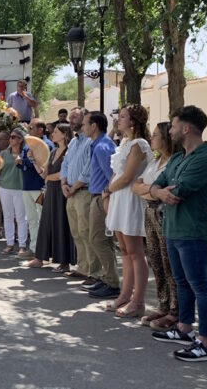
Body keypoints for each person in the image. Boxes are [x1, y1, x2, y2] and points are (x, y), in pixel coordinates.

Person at [150, 105, 207, 362]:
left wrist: (161, 192)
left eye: (173, 125)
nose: (170, 130)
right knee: (181, 282)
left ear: (186, 128)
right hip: (173, 229)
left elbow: (177, 191)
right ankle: (184, 328)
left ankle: (206, 343)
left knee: (200, 285)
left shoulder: (205, 159)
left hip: (192, 232)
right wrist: (158, 192)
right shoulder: (179, 158)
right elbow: (159, 184)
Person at [103, 104, 152, 317]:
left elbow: (127, 176)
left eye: (123, 116)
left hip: (130, 199)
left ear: (133, 121)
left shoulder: (139, 144)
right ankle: (125, 295)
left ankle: (138, 301)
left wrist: (107, 190)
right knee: (124, 251)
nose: (118, 120)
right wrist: (109, 194)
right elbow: (116, 173)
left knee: (135, 252)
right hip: (118, 198)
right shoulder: (124, 142)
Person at [132, 122, 178, 331]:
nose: (153, 138)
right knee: (156, 261)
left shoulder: (174, 162)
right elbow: (135, 186)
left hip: (163, 213)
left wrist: (148, 191)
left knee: (169, 262)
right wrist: (152, 191)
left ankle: (175, 310)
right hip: (149, 210)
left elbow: (160, 189)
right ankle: (163, 303)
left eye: (156, 135)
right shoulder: (155, 161)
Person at [61, 108, 101, 288]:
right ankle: (83, 267)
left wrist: (74, 186)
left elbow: (88, 169)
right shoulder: (73, 143)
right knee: (76, 232)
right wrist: (63, 183)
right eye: (71, 117)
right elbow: (65, 164)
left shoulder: (89, 143)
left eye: (75, 117)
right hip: (70, 192)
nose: (71, 119)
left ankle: (94, 272)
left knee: (87, 232)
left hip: (83, 191)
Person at [29, 123, 77, 272]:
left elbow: (64, 173)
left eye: (56, 132)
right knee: (46, 223)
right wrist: (34, 161)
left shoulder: (69, 152)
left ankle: (64, 262)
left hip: (61, 192)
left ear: (64, 134)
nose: (52, 134)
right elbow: (44, 174)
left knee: (61, 224)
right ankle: (40, 258)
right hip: (51, 191)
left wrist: (49, 177)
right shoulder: (53, 151)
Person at [83, 111, 120, 299]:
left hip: (101, 197)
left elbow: (112, 176)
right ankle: (109, 278)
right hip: (98, 196)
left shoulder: (102, 146)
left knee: (97, 239)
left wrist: (106, 198)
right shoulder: (99, 144)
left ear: (94, 125)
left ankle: (113, 283)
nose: (82, 128)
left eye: (84, 124)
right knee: (103, 241)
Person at [19, 120, 52, 259]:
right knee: (32, 220)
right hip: (27, 185)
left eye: (31, 127)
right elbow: (24, 160)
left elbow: (43, 163)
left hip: (39, 186)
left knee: (41, 219)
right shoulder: (28, 143)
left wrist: (26, 162)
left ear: (40, 130)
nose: (28, 129)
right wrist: (23, 162)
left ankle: (44, 250)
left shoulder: (47, 145)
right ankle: (34, 249)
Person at [0, 128, 27, 255]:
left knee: (21, 218)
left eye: (14, 137)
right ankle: (9, 243)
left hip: (20, 189)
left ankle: (22, 245)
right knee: (8, 217)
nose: (11, 139)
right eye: (10, 137)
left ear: (21, 139)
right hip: (5, 187)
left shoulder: (26, 153)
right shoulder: (4, 153)